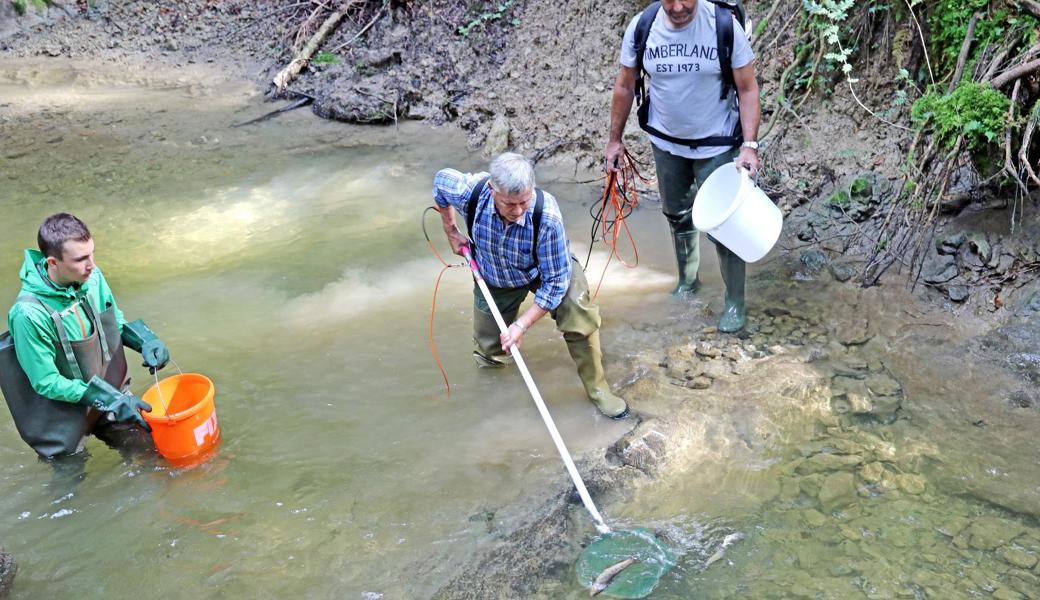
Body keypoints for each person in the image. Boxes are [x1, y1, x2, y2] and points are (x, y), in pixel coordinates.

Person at [432, 152, 629, 418]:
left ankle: (598, 389)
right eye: (508, 204)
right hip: (496, 273)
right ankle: (496, 399)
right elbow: (441, 181)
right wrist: (451, 231)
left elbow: (557, 281)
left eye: (523, 202)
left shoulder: (547, 217)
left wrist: (521, 325)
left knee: (577, 312)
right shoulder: (472, 192)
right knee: (490, 348)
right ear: (492, 190)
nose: (516, 211)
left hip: (545, 269)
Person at [605, 0, 762, 332]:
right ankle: (687, 282)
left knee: (725, 228)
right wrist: (615, 139)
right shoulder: (643, 26)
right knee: (678, 215)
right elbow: (624, 84)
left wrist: (749, 146)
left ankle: (735, 303)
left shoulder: (723, 25)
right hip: (666, 144)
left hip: (717, 143)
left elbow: (747, 89)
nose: (677, 7)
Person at [0, 213, 169, 458]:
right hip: (61, 415)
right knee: (71, 488)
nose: (91, 264)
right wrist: (109, 399)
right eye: (81, 259)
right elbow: (45, 381)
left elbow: (114, 322)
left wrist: (144, 340)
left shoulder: (92, 278)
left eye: (92, 254)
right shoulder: (28, 314)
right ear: (53, 263)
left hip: (110, 395)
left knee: (153, 453)